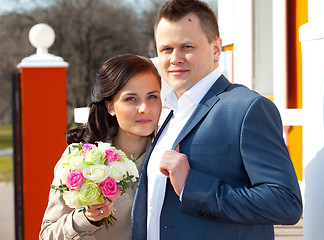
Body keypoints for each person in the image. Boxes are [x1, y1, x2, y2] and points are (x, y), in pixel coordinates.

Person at [131, 0, 303, 239]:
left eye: (187, 46)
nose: (175, 58)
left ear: (215, 49)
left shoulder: (248, 108)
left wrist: (193, 188)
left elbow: (286, 203)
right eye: (166, 49)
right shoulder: (168, 112)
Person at [39, 54, 162, 240]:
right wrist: (86, 219)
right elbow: (47, 235)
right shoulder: (78, 158)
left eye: (152, 96)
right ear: (110, 105)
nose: (145, 108)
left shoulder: (172, 152)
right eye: (131, 99)